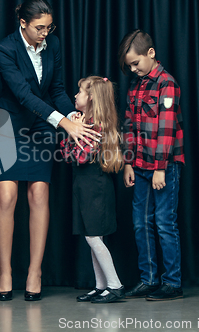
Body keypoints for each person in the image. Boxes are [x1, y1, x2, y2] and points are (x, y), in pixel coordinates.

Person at [0, 0, 100, 301]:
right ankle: (5, 272)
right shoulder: (5, 49)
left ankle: (34, 272)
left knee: (39, 193)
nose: (45, 33)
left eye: (49, 27)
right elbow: (24, 95)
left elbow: (56, 90)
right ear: (23, 23)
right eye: (39, 28)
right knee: (6, 195)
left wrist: (74, 115)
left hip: (42, 125)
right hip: (9, 122)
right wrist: (64, 123)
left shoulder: (52, 45)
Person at [118, 29, 185, 300]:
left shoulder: (167, 84)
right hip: (141, 165)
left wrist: (160, 168)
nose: (133, 69)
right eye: (129, 66)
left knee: (164, 223)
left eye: (136, 63)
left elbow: (166, 130)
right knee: (140, 223)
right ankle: (148, 279)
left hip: (163, 167)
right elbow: (130, 126)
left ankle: (172, 283)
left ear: (151, 54)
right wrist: (128, 163)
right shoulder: (136, 86)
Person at [60, 76, 125, 303]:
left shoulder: (95, 127)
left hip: (94, 186)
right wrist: (73, 130)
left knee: (94, 237)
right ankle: (100, 286)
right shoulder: (84, 124)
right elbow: (67, 157)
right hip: (83, 185)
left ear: (91, 98)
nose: (76, 95)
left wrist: (72, 132)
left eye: (79, 92)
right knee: (91, 236)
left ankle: (115, 285)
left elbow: (80, 156)